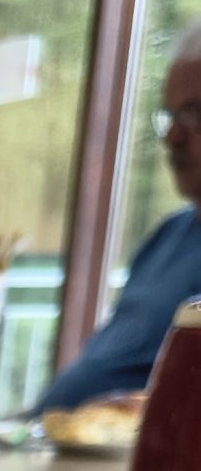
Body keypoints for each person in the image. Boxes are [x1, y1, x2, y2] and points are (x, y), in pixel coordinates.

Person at [36, 20, 201, 412]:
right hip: (51, 438)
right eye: (170, 116)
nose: (172, 137)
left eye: (195, 113)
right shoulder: (168, 235)